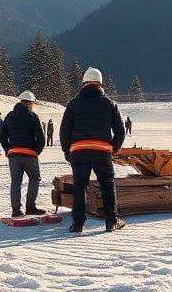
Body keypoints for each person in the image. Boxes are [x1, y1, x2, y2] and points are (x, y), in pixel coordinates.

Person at [60, 67, 126, 233]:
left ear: (84, 83)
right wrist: (113, 147)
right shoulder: (110, 104)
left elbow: (65, 129)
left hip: (79, 151)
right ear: (100, 84)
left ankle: (78, 224)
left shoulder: (74, 103)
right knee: (107, 185)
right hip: (102, 151)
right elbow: (120, 130)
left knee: (79, 186)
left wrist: (67, 150)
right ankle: (111, 221)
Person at [2, 90, 47, 218]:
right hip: (29, 153)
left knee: (16, 181)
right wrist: (37, 151)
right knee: (34, 178)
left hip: (13, 153)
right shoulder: (32, 116)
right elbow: (40, 137)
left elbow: (2, 135)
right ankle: (30, 207)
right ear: (30, 103)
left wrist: (7, 149)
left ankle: (16, 210)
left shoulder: (10, 116)